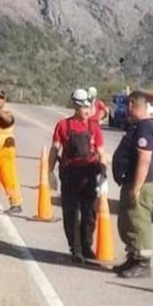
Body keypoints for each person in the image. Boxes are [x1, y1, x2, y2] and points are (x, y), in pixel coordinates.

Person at [48, 88, 107, 263]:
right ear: (76, 106)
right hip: (70, 175)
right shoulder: (63, 125)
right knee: (71, 213)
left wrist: (103, 175)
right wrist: (49, 172)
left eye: (89, 107)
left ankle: (86, 246)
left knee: (89, 213)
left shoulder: (94, 127)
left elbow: (101, 152)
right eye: (84, 107)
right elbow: (54, 149)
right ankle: (76, 249)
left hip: (89, 174)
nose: (87, 110)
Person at [111, 90, 153, 278]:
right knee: (128, 221)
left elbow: (144, 158)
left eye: (127, 105)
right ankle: (133, 257)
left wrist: (137, 187)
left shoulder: (145, 127)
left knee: (138, 222)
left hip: (142, 182)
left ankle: (142, 262)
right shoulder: (140, 126)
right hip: (133, 180)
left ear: (132, 104)